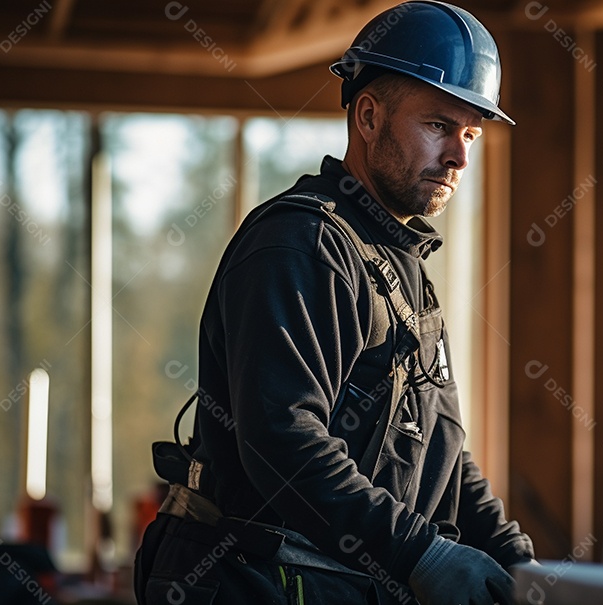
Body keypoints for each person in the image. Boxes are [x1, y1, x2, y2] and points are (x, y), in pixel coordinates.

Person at [133, 2, 535, 604]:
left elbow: (444, 455)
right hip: (256, 581)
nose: (460, 156)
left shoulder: (403, 269)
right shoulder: (301, 246)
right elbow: (283, 438)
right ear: (368, 117)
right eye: (437, 126)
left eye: (471, 133)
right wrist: (419, 553)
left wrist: (523, 568)